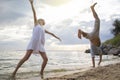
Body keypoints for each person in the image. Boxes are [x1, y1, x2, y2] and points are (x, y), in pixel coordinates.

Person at [12, 0, 61, 79]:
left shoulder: (43, 28)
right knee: (26, 58)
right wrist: (32, 4)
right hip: (33, 43)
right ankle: (14, 72)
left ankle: (41, 72)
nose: (40, 20)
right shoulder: (36, 24)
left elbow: (51, 33)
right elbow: (34, 13)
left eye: (42, 20)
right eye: (40, 19)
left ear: (43, 22)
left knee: (46, 59)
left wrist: (57, 37)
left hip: (40, 45)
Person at [78, 3, 102, 67]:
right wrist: (99, 61)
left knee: (97, 19)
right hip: (94, 36)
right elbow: (99, 54)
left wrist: (80, 32)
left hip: (94, 35)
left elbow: (93, 55)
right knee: (97, 19)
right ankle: (92, 8)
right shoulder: (93, 38)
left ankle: (92, 8)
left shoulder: (92, 39)